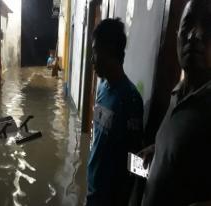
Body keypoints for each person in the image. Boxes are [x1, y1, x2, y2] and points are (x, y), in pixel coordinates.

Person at [141, 0, 211, 205]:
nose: (194, 34)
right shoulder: (177, 94)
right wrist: (160, 148)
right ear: (177, 35)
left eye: (208, 25)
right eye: (187, 24)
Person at [87, 18, 144, 206]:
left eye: (95, 51)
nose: (92, 59)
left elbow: (135, 159)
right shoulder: (102, 87)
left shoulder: (130, 99)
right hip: (93, 191)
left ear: (109, 51)